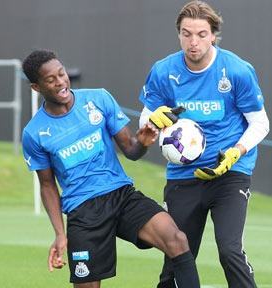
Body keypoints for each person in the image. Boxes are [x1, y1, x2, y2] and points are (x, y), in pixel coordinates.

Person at [21, 49, 201, 288]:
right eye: (50, 80)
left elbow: (131, 151)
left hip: (121, 195)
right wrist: (60, 234)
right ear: (36, 87)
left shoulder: (99, 99)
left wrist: (144, 142)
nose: (60, 82)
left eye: (61, 74)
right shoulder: (34, 133)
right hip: (83, 212)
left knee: (176, 239)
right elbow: (47, 185)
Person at [138, 1, 270, 287]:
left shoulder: (236, 70)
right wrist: (152, 121)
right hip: (183, 177)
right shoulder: (163, 71)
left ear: (213, 35)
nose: (193, 42)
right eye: (186, 34)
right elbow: (145, 122)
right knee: (177, 253)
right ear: (179, 35)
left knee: (229, 250)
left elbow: (261, 123)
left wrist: (236, 152)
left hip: (230, 174)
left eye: (201, 34)